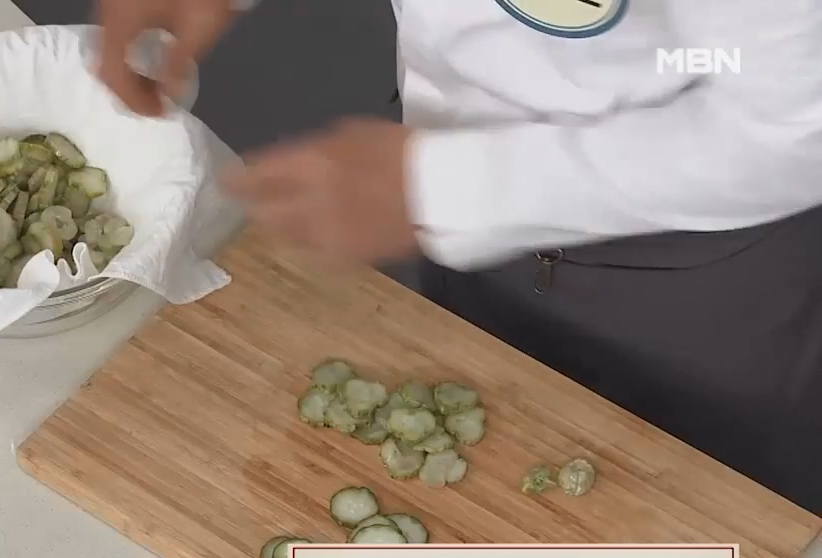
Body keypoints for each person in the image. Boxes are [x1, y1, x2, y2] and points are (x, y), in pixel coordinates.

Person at [94, 0, 822, 515]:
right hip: (448, 186)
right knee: (493, 463)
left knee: (713, 531)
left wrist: (451, 187)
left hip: (700, 267)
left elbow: (796, 131)